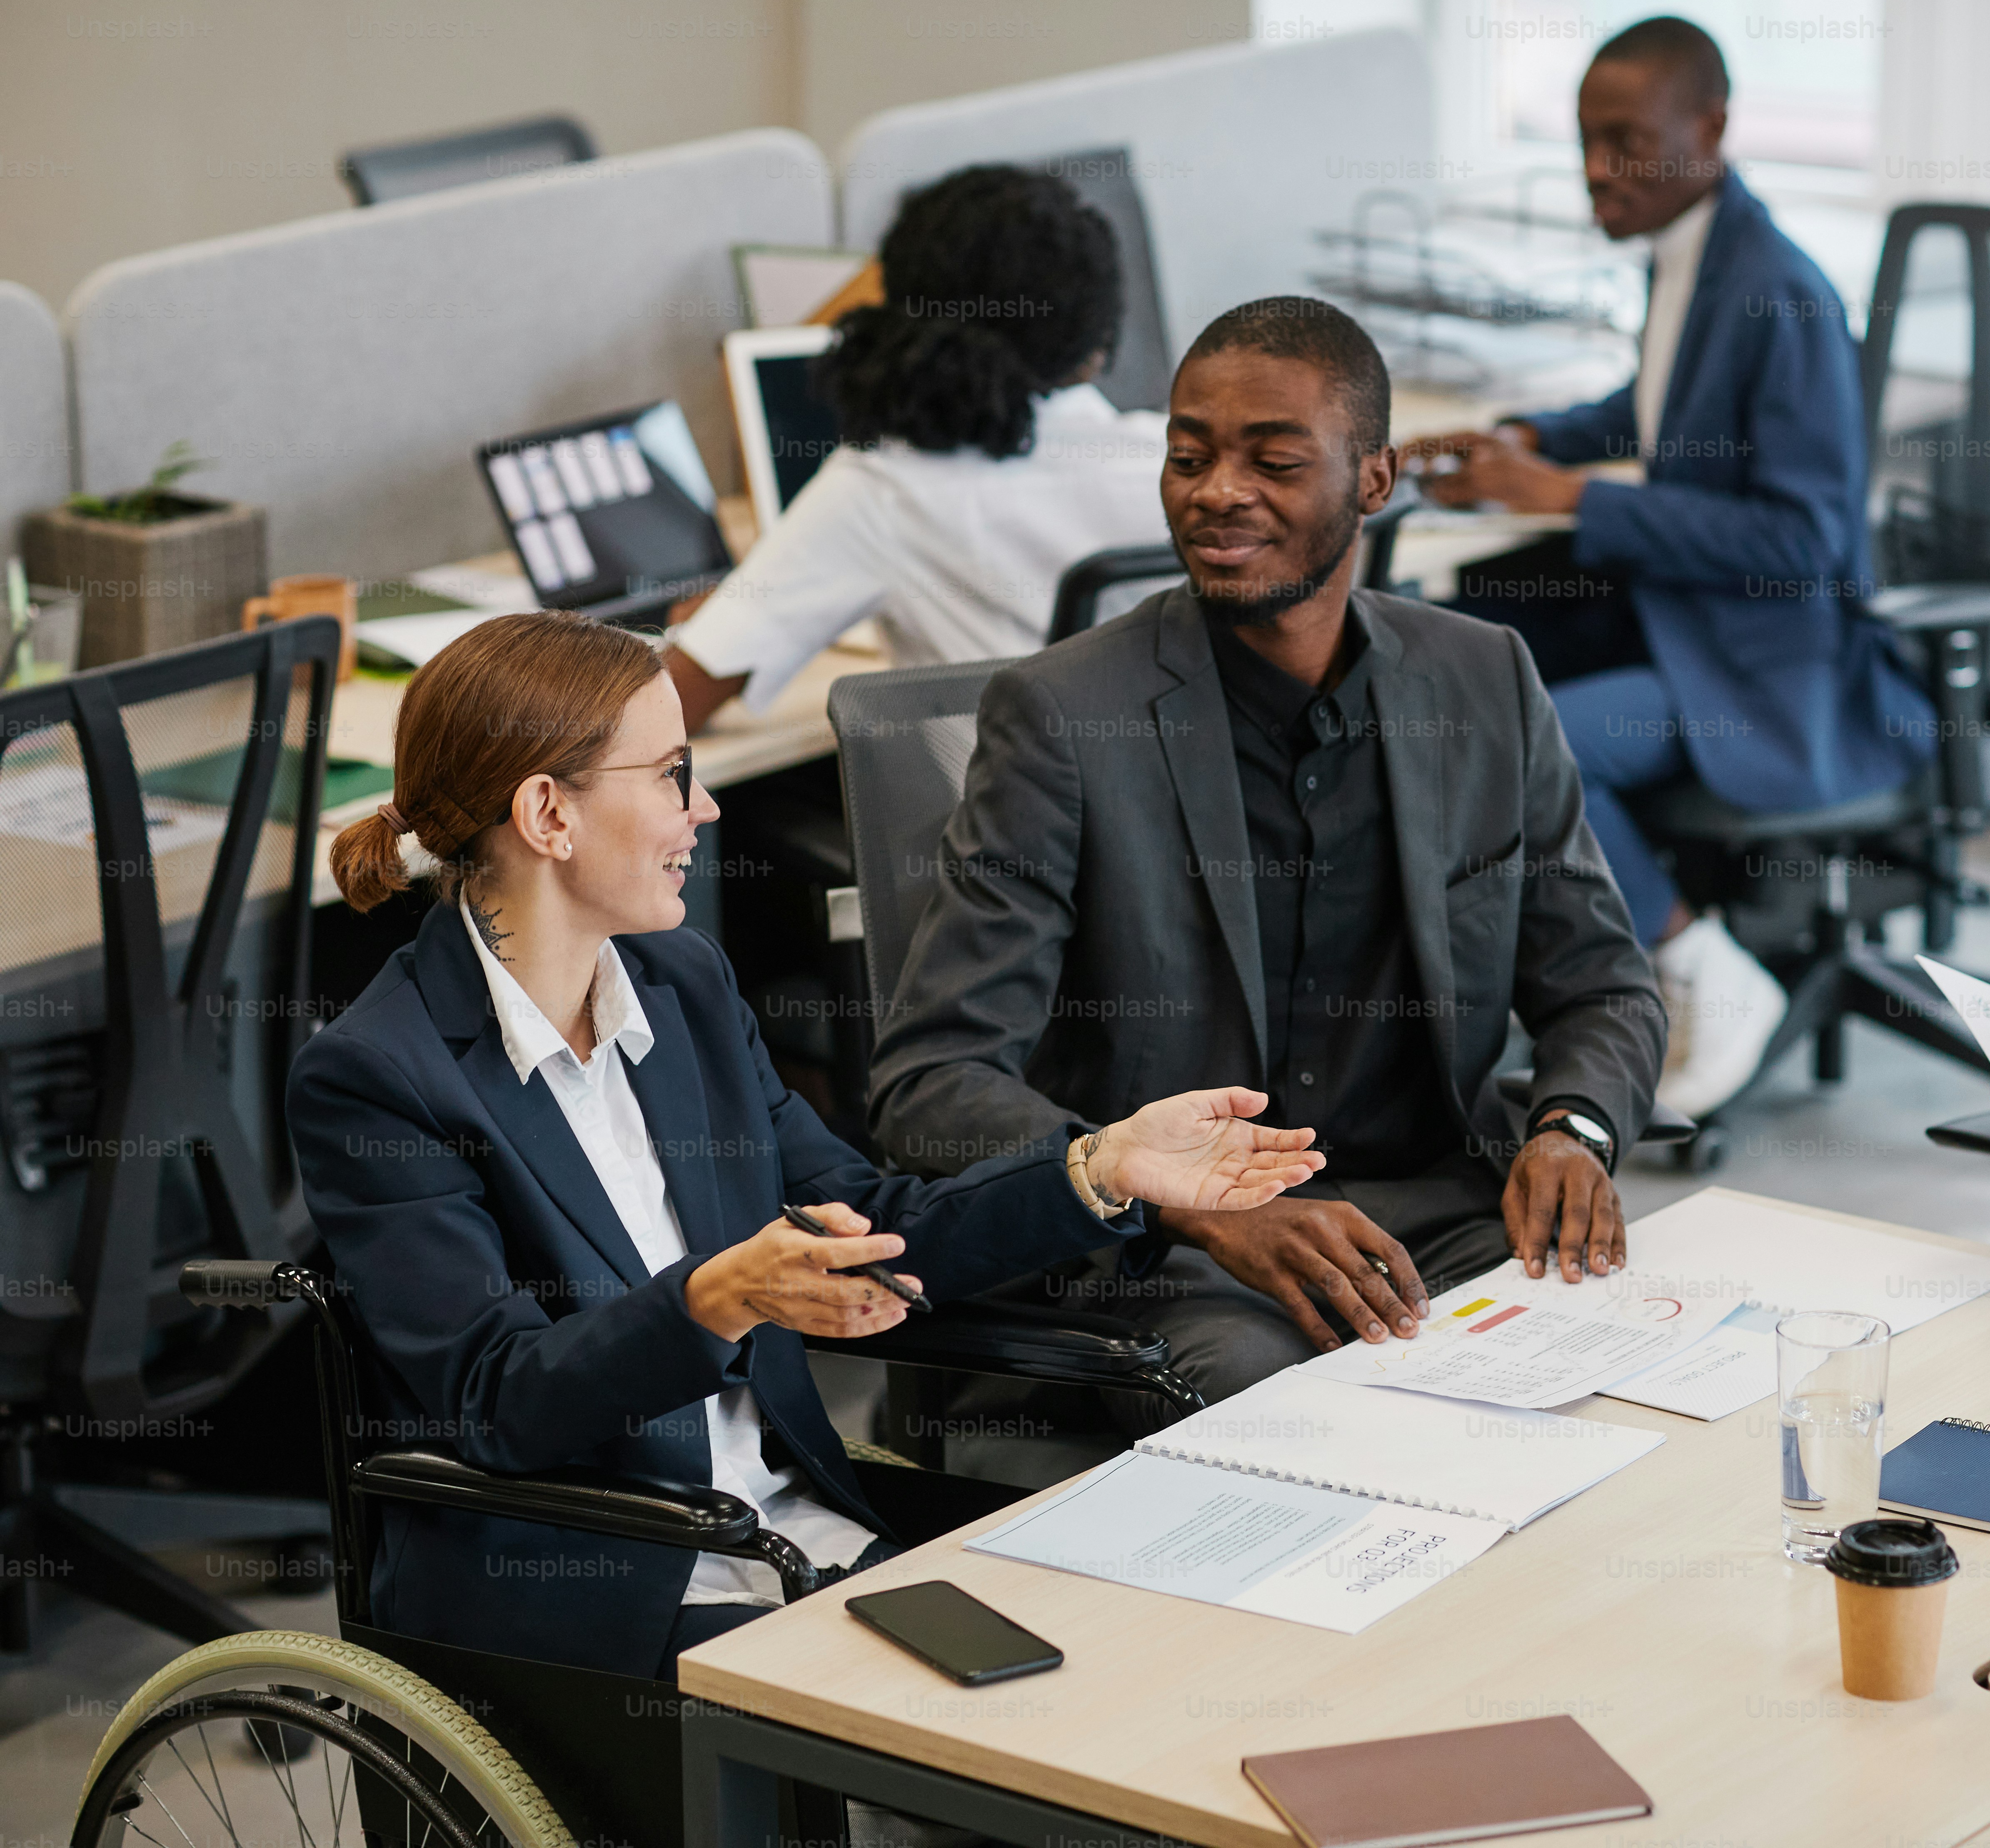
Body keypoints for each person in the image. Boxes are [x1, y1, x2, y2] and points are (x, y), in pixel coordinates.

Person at [296, 611, 1325, 1678]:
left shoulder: (681, 986)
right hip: (602, 1581)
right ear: (548, 813)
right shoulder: (377, 1076)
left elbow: (869, 1221)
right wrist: (721, 1294)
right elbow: (499, 1401)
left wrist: (1097, 1167)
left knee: (1145, 1657)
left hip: (791, 1526)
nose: (707, 806)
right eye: (672, 773)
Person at [868, 296, 1665, 1419]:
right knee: (1310, 1416)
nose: (1216, 492)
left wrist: (1571, 1130)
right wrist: (1185, 1195)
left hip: (1438, 1215)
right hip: (1174, 1258)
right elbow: (931, 1086)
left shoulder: (1484, 681)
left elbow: (1602, 983)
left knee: (1627, 1385)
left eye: (1274, 461)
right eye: (1187, 457)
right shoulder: (1063, 717)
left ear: (1374, 481)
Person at [1399, 16, 1932, 1117]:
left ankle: (1691, 964)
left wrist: (1579, 499)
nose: (1601, 171)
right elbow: (1655, 417)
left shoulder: (1777, 292)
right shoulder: (1695, 253)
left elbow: (1804, 542)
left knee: (1543, 748)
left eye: (1629, 143)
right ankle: (1514, 984)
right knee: (1450, 654)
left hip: (1765, 666)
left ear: (1714, 127)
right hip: (1687, 622)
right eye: (1589, 141)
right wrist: (1529, 442)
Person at [668, 164, 1164, 729]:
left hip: (1007, 816)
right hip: (1195, 814)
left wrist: (722, 623)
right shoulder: (1189, 466)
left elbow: (666, 708)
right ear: (1098, 344)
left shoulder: (888, 487)